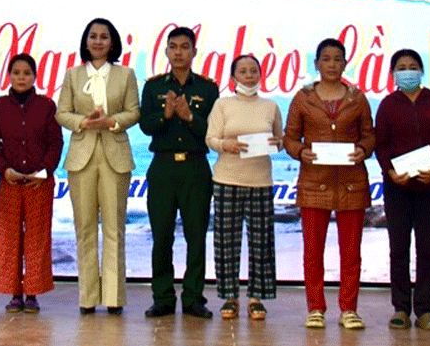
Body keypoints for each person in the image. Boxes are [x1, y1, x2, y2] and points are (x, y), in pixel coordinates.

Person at [283, 38, 374, 330]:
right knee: (313, 251)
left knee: (351, 252)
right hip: (313, 183)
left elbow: (369, 136)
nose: (332, 64)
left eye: (337, 59)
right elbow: (289, 137)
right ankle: (316, 308)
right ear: (317, 64)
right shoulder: (302, 98)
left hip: (351, 184)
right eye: (326, 59)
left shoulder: (357, 98)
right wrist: (300, 152)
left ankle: (349, 309)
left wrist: (363, 150)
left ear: (345, 63)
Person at [56, 18, 140, 314]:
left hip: (115, 156)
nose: (98, 41)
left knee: (115, 229)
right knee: (85, 228)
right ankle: (88, 298)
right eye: (93, 36)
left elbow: (134, 111)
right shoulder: (73, 74)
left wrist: (112, 122)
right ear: (86, 40)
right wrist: (84, 122)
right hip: (81, 156)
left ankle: (114, 298)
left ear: (113, 42)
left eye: (104, 37)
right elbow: (61, 113)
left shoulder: (126, 74)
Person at [375, 49, 430, 331]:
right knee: (398, 248)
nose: (408, 71)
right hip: (397, 187)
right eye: (401, 67)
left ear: (422, 70)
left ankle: (425, 310)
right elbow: (381, 144)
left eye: (413, 66)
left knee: (427, 249)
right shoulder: (388, 104)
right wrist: (389, 171)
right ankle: (400, 308)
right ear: (393, 73)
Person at [140, 27, 219, 319]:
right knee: (161, 235)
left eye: (185, 47)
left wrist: (189, 116)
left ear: (194, 52)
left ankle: (193, 298)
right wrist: (166, 115)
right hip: (162, 167)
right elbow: (145, 125)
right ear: (166, 52)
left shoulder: (208, 89)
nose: (178, 52)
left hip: (196, 168)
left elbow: (213, 131)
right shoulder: (153, 87)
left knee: (196, 235)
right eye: (173, 47)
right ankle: (162, 296)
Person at [206, 55, 282, 320]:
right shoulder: (222, 104)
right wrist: (225, 145)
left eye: (253, 70)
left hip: (260, 180)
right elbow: (210, 138)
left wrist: (276, 143)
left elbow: (280, 141)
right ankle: (229, 296)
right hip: (227, 178)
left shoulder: (270, 106)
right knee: (226, 241)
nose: (249, 75)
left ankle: (257, 297)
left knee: (261, 242)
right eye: (243, 71)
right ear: (233, 76)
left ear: (260, 74)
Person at [0, 54, 63, 313]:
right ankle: (14, 294)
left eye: (26, 73)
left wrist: (42, 171)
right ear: (8, 76)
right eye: (16, 72)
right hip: (9, 182)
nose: (21, 77)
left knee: (37, 238)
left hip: (39, 184)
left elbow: (56, 144)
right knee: (9, 238)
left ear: (35, 77)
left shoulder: (47, 106)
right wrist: (3, 169)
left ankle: (32, 294)